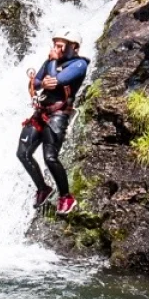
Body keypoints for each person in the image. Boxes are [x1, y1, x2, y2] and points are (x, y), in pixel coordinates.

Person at [19, 30, 91, 215]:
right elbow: (36, 83)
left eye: (61, 46)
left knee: (50, 157)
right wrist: (45, 76)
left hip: (58, 115)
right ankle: (43, 188)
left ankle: (66, 196)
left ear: (73, 47)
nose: (56, 49)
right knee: (23, 153)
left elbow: (55, 82)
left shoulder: (79, 64)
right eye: (55, 45)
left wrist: (51, 63)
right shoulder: (51, 61)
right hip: (41, 112)